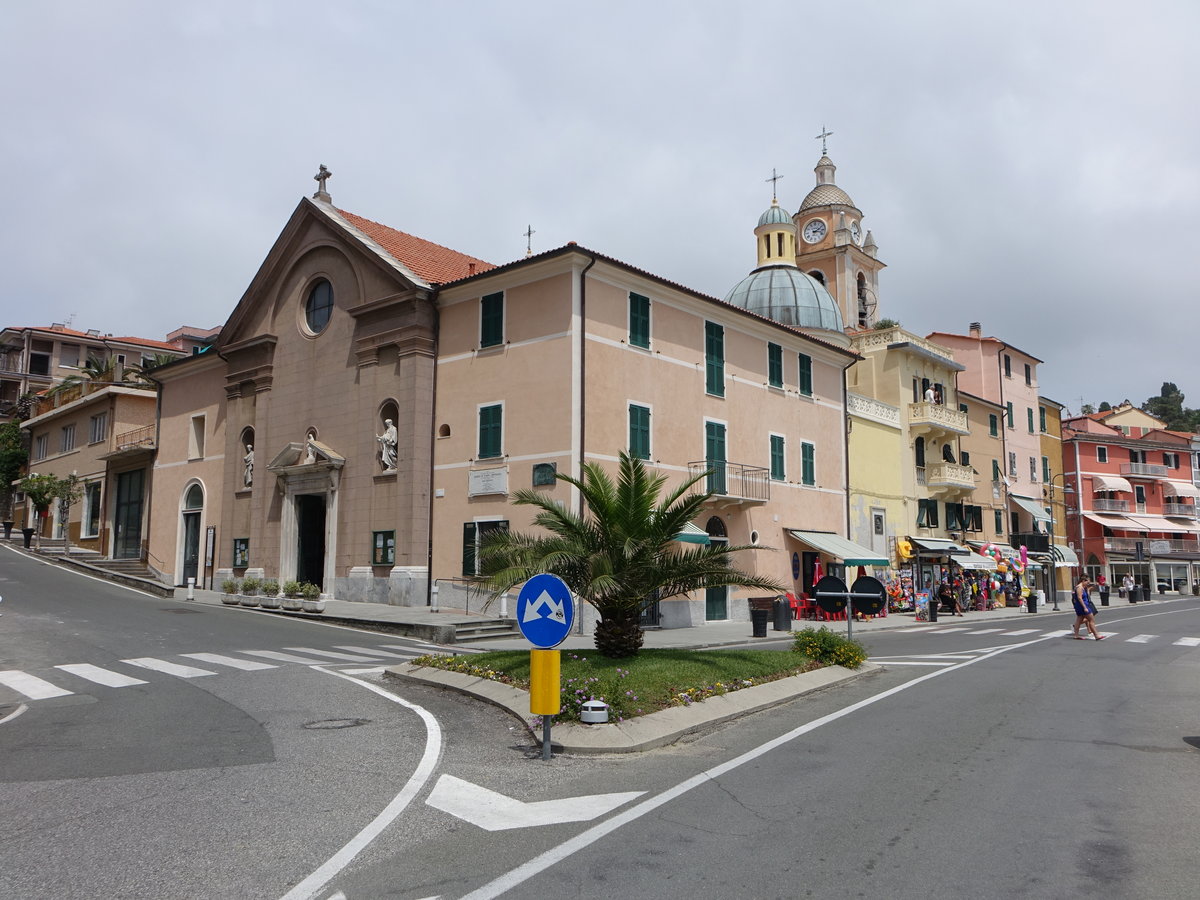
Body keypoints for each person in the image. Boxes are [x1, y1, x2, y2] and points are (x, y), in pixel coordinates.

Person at [1072, 575, 1105, 640]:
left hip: (1080, 606)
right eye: (1087, 582)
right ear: (1083, 581)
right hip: (1082, 605)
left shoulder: (1082, 587)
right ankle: (1096, 635)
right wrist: (1085, 607)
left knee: (1079, 620)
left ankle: (1076, 635)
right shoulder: (1079, 587)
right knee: (1091, 620)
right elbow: (1079, 598)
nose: (1088, 583)